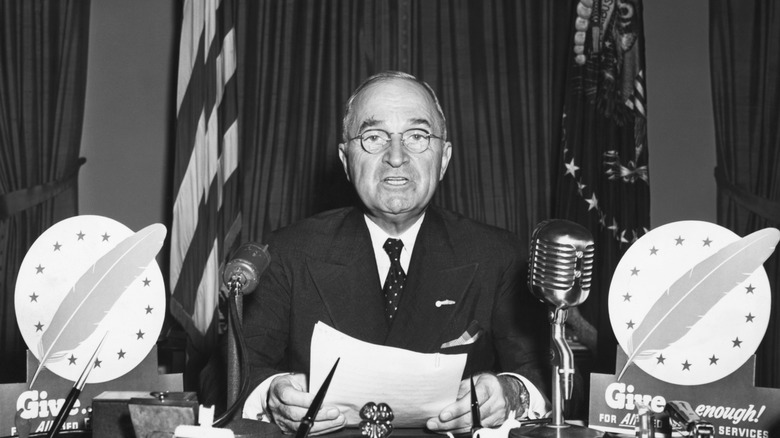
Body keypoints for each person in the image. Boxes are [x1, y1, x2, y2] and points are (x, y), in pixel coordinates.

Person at [242, 71, 550, 434]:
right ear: (345, 160)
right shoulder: (287, 252)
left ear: (445, 157)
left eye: (417, 136)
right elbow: (229, 376)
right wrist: (271, 396)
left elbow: (540, 377)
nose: (396, 156)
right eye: (374, 137)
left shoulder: (499, 254)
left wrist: (509, 394)